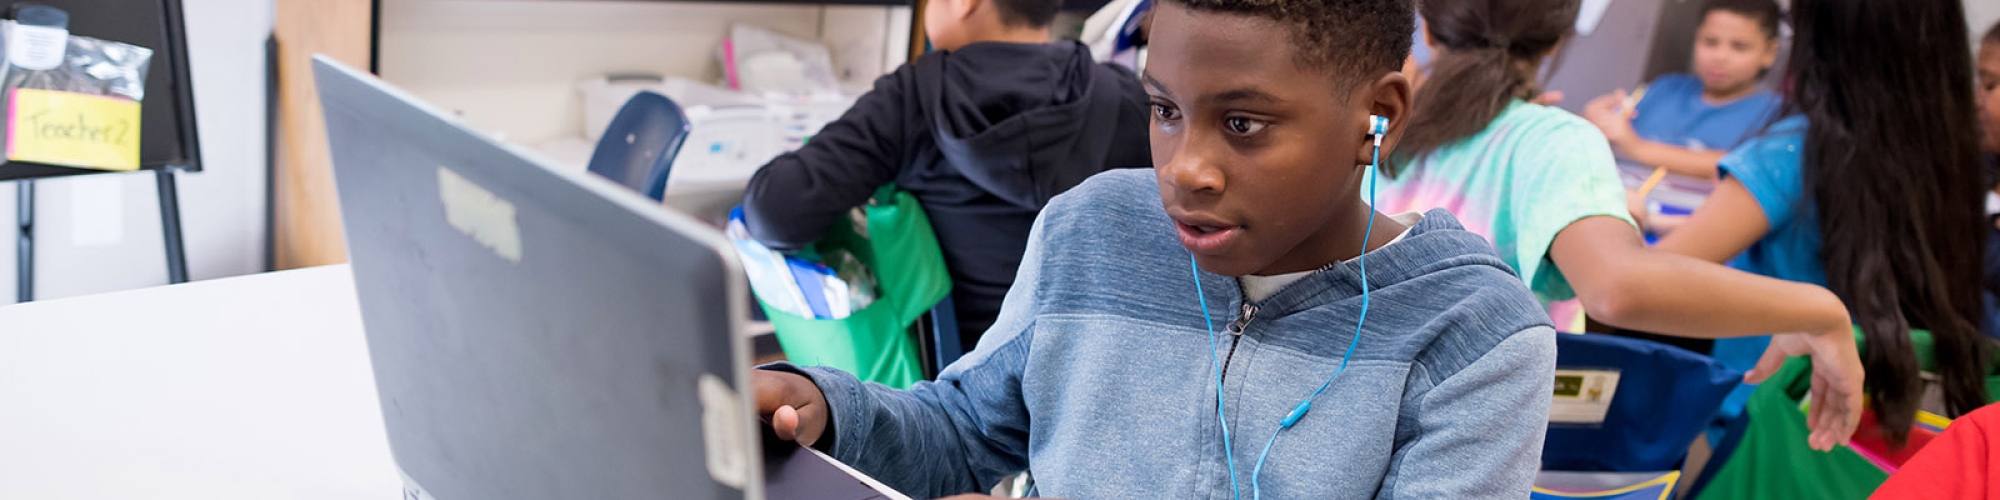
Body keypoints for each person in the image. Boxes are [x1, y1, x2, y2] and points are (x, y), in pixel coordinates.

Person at [755, 0, 1561, 497]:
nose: (1185, 168)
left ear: (1377, 116)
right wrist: (829, 409)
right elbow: (967, 426)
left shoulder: (1473, 338)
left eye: (1243, 124)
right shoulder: (1092, 230)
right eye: (1164, 110)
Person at [1367, 0, 1862, 452]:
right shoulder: (1554, 140)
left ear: (1427, 30)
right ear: (1559, 37)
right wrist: (1820, 310)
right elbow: (1616, 286)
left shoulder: (1383, 119)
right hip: (1464, 436)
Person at [1655, 0, 1990, 445]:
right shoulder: (1955, 157)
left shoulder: (1792, 152)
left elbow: (1646, 281)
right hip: (1875, 426)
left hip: (1762, 422)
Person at [739, 0, 1151, 345]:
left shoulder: (913, 98)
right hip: (1093, 387)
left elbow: (773, 213)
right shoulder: (1127, 95)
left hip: (959, 402)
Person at [1582, 0, 1784, 181]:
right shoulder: (1665, 89)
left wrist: (1637, 147)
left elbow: (1733, 165)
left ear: (1769, 52)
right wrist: (1597, 123)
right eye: (1710, 42)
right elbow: (1616, 135)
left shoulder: (1775, 115)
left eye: (1739, 47)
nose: (1720, 57)